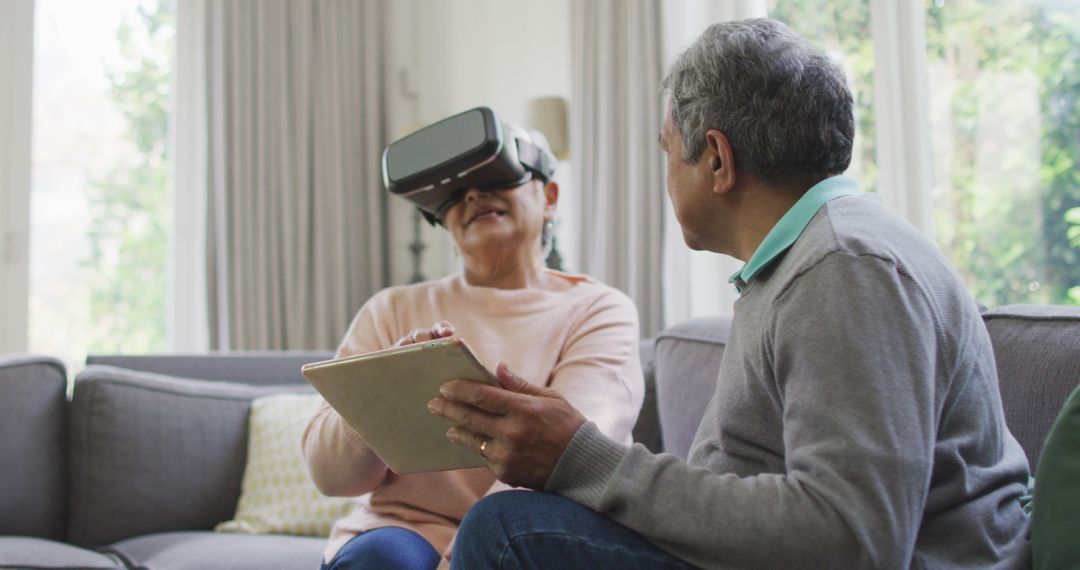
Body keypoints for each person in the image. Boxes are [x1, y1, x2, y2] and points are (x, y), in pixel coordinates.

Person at [429, 18, 1032, 569]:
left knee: (506, 530)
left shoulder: (847, 268)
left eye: (669, 151)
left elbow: (854, 540)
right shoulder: (804, 262)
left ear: (716, 158)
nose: (667, 176)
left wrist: (583, 459)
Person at [302, 125, 644, 569]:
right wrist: (386, 388)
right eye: (454, 190)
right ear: (440, 219)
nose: (473, 194)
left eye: (499, 176)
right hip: (401, 534)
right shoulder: (390, 309)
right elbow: (330, 475)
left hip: (526, 532)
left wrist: (469, 552)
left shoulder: (598, 309)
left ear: (550, 197)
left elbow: (573, 449)